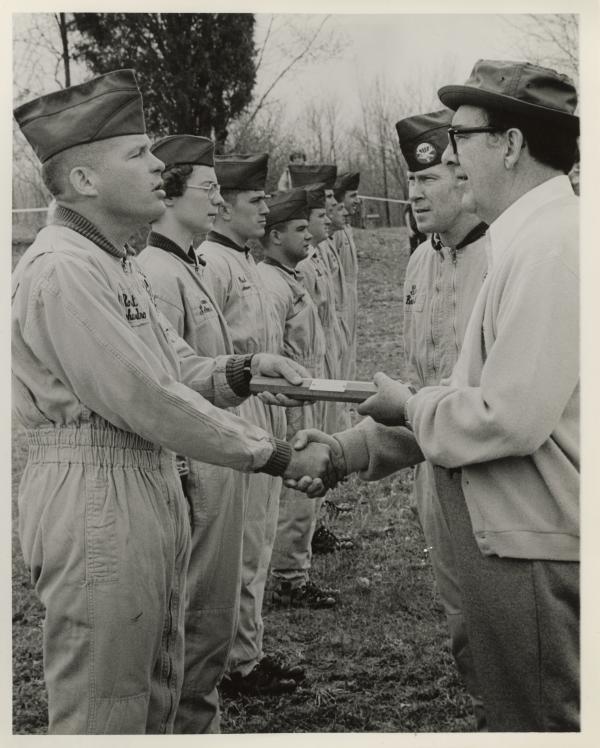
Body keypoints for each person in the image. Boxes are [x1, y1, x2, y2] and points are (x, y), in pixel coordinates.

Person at [12, 71, 333, 734]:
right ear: (83, 183)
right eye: (137, 155)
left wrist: (244, 370)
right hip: (97, 492)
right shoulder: (64, 269)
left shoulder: (110, 262)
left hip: (137, 481)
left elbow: (177, 369)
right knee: (109, 707)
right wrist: (272, 454)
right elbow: (151, 399)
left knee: (157, 687)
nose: (159, 166)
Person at [293, 59, 580, 732]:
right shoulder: (533, 241)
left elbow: (505, 418)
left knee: (542, 723)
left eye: (461, 141)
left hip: (531, 540)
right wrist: (354, 447)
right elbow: (467, 393)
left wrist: (407, 407)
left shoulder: (550, 248)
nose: (452, 159)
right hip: (513, 532)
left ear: (510, 145)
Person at [137, 134, 273, 731]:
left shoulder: (182, 266)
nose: (218, 202)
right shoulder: (157, 274)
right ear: (169, 193)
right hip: (196, 466)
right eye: (209, 189)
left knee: (212, 619)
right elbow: (165, 386)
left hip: (219, 456)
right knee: (194, 620)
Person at [394, 108, 488, 729]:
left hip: (498, 466)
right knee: (461, 611)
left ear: (465, 177)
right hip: (434, 462)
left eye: (430, 179)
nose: (415, 192)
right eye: (411, 180)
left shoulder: (509, 256)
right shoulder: (419, 262)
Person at [200, 154, 305, 695]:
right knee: (236, 546)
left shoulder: (243, 261)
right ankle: (235, 661)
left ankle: (247, 649)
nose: (266, 209)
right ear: (224, 208)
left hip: (255, 405)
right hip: (225, 411)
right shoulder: (212, 263)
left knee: (258, 538)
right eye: (255, 200)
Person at [257, 189, 339, 609]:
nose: (309, 236)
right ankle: (290, 577)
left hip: (305, 394)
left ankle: (295, 567)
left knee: (306, 488)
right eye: (299, 228)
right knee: (295, 489)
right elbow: (271, 351)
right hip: (289, 403)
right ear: (274, 236)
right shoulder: (271, 285)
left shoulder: (289, 277)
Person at [333, 171, 361, 379]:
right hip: (337, 306)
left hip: (350, 301)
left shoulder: (346, 228)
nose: (357, 201)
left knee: (350, 357)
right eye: (352, 196)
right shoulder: (334, 233)